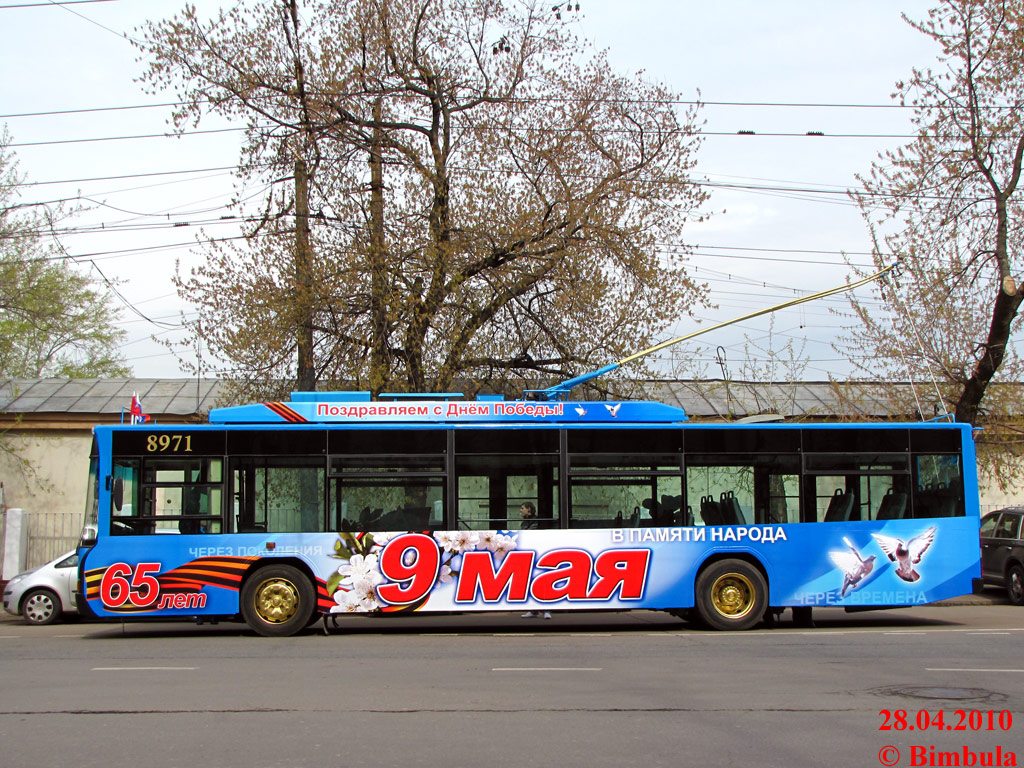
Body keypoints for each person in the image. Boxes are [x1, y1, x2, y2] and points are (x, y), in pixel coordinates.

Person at [518, 502, 551, 619]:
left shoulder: (537, 522)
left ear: (529, 509)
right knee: (531, 582)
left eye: (522, 508)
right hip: (529, 554)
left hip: (538, 554)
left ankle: (546, 610)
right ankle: (534, 610)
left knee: (541, 581)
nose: (521, 510)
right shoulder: (525, 522)